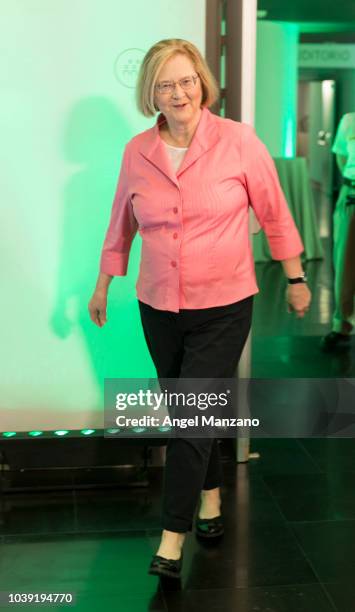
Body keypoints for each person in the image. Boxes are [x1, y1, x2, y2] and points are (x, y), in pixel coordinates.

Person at [88, 38, 311, 579]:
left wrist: (296, 276)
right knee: (193, 413)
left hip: (225, 303)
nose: (179, 92)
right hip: (158, 303)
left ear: (202, 83)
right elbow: (123, 219)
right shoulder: (137, 150)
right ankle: (209, 499)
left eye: (187, 80)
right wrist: (103, 285)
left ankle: (171, 538)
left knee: (190, 418)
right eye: (166, 84)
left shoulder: (238, 141)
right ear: (152, 94)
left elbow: (274, 211)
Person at [321, 112, 355, 351]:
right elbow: (342, 159)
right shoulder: (349, 121)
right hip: (352, 195)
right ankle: (342, 324)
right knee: (345, 263)